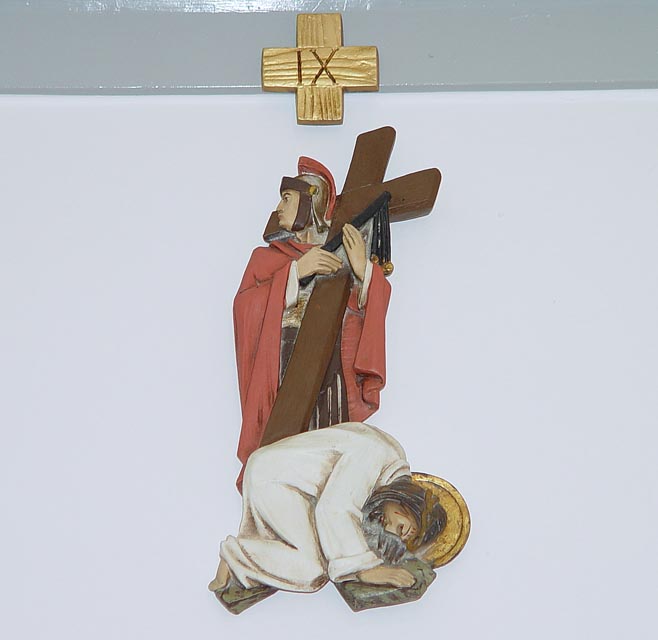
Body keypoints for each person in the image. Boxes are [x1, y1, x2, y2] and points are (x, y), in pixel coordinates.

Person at [233, 157, 392, 490]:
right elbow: (244, 307)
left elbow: (359, 312)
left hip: (329, 370)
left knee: (327, 452)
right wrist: (295, 272)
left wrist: (363, 271)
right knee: (281, 453)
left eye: (286, 198)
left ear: (312, 202)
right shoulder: (266, 259)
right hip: (283, 365)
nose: (278, 208)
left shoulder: (339, 255)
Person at [208, 422, 447, 595]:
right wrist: (365, 570)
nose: (391, 531)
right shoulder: (376, 454)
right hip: (277, 480)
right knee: (311, 570)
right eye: (402, 527)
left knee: (311, 560)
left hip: (289, 483)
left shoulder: (389, 462)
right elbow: (334, 508)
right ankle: (235, 556)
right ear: (406, 501)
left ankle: (243, 556)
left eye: (398, 537)